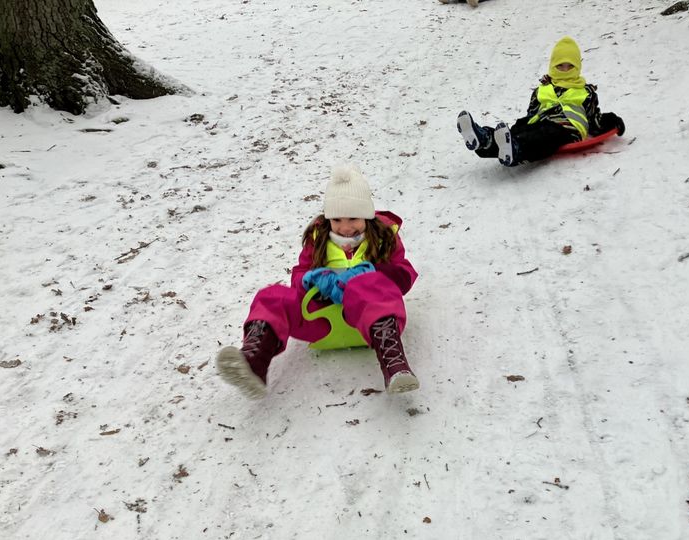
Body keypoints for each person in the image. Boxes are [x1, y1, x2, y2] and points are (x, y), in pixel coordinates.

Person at [216, 164, 420, 398]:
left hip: (370, 326)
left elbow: (405, 275)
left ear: (367, 215)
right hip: (323, 323)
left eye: (353, 218)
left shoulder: (384, 237)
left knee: (368, 284)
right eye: (336, 219)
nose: (345, 227)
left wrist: (373, 273)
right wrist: (312, 279)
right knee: (271, 296)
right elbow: (299, 275)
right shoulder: (319, 238)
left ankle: (395, 366)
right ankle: (254, 362)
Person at [457, 36, 625, 167]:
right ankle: (484, 140)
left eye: (570, 66)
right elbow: (532, 113)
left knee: (546, 135)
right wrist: (524, 125)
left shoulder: (585, 92)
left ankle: (517, 150)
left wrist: (613, 121)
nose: (565, 70)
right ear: (553, 66)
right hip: (540, 122)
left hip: (566, 129)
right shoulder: (542, 89)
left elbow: (595, 121)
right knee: (520, 130)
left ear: (577, 67)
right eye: (560, 66)